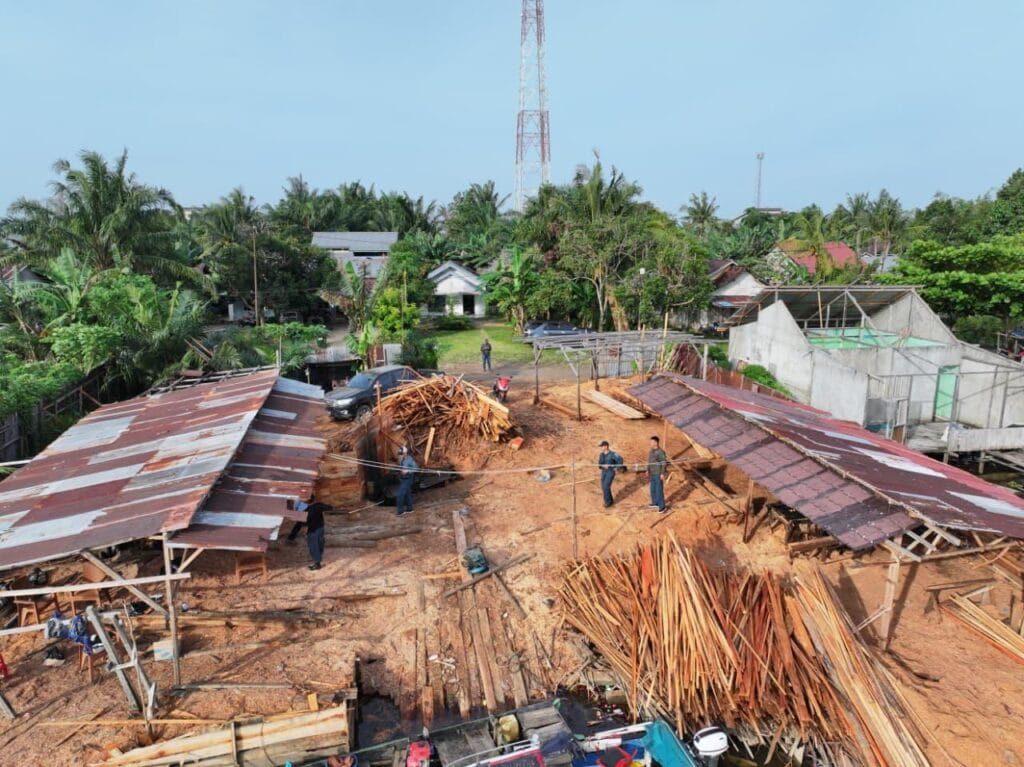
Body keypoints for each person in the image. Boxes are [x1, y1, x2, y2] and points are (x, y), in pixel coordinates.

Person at [287, 495, 332, 570]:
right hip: (321, 528)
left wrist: (296, 535)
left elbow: (301, 525)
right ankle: (319, 557)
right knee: (320, 543)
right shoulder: (318, 505)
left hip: (312, 531)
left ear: (306, 501)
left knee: (313, 546)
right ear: (314, 500)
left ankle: (317, 564)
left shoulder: (305, 511)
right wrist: (321, 505)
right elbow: (330, 508)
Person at [597, 440, 625, 508]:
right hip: (604, 472)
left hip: (610, 471)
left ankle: (608, 502)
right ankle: (610, 500)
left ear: (606, 446)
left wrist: (616, 468)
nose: (601, 448)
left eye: (602, 446)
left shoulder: (613, 454)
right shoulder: (601, 455)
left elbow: (620, 460)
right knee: (604, 487)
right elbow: (600, 464)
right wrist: (603, 465)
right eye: (601, 447)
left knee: (606, 486)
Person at [646, 435, 669, 513]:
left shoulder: (660, 452)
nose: (650, 443)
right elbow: (649, 461)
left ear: (656, 442)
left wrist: (662, 473)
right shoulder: (651, 451)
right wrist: (647, 470)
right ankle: (655, 502)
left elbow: (663, 463)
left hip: (658, 473)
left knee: (659, 490)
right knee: (652, 489)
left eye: (651, 442)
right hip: (652, 473)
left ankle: (662, 506)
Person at [396, 446, 419, 516]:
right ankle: (410, 508)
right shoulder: (402, 460)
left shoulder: (410, 460)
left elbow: (416, 468)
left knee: (400, 495)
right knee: (407, 494)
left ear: (405, 453)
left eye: (401, 454)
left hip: (407, 479)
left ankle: (400, 511)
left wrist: (407, 471)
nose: (400, 455)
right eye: (400, 454)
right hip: (403, 479)